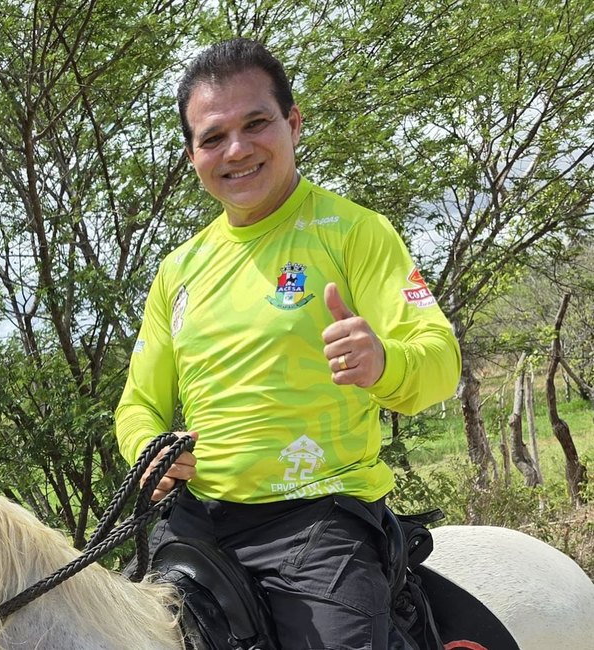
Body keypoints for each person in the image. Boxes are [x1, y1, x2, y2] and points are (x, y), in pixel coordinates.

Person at [115, 38, 461, 649]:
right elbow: (138, 403)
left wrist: (383, 361)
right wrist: (149, 450)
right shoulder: (178, 270)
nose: (237, 150)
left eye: (256, 124)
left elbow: (439, 362)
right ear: (194, 153)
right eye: (213, 137)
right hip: (196, 528)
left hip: (319, 525)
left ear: (293, 124)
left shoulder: (356, 233)